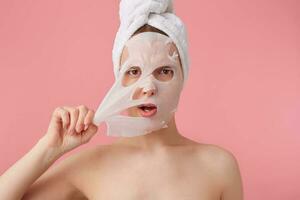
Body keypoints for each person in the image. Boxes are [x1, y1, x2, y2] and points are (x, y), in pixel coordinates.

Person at [0, 1, 243, 200]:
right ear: (119, 81)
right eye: (134, 72)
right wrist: (49, 149)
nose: (148, 87)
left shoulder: (218, 167)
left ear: (183, 77)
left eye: (164, 71)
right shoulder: (90, 166)